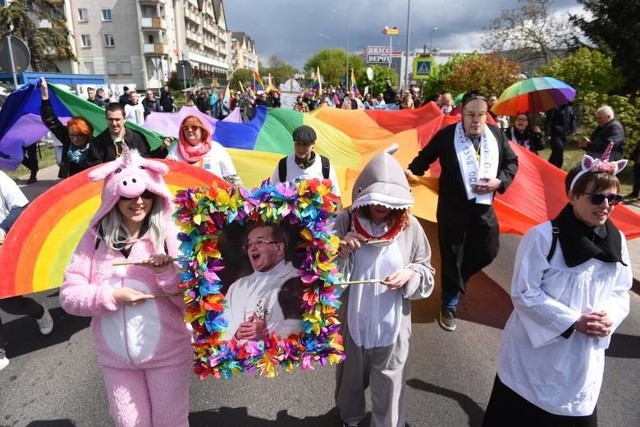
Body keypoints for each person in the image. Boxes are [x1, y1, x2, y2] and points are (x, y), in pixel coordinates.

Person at [482, 147, 632, 427]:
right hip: (535, 357)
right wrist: (574, 321)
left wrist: (608, 317)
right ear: (573, 196)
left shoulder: (618, 240)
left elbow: (619, 291)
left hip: (582, 361)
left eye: (614, 199)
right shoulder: (543, 237)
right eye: (597, 197)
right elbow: (524, 293)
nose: (606, 205)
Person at [60, 146, 191, 426]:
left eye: (146, 194)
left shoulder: (170, 235)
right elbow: (69, 296)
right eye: (129, 196)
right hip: (116, 360)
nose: (139, 202)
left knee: (171, 422)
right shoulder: (94, 239)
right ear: (113, 197)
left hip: (167, 355)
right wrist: (111, 295)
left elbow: (192, 304)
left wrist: (167, 273)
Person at [335, 149, 435, 427]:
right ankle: (351, 419)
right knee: (350, 379)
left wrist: (410, 274)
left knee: (390, 383)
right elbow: (323, 278)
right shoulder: (345, 221)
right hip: (353, 321)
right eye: (376, 198)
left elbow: (426, 270)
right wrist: (340, 252)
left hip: (393, 324)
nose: (382, 206)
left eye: (389, 200)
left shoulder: (410, 226)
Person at [405, 91, 519, 332]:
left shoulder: (497, 135)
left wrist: (499, 182)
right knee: (452, 256)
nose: (476, 120)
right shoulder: (447, 137)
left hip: (483, 209)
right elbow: (422, 160)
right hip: (452, 210)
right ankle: (449, 303)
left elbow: (512, 162)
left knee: (488, 250)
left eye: (481, 115)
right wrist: (409, 174)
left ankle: (458, 280)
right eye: (470, 115)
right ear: (461, 115)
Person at [0, 170, 55, 370]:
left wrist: (3, 228)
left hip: (1, 248)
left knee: (9, 304)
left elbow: (20, 206)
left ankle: (39, 312)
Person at [223, 223, 300, 341]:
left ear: (279, 249)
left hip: (281, 358)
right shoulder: (237, 287)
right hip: (239, 358)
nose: (252, 248)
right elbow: (222, 328)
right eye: (249, 244)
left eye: (259, 242)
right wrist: (237, 334)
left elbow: (303, 327)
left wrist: (267, 334)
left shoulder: (299, 280)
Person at [166, 115, 243, 187]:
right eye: (185, 128)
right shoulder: (175, 150)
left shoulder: (216, 148)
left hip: (214, 199)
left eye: (194, 127)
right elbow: (165, 176)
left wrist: (243, 197)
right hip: (183, 198)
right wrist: (167, 165)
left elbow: (232, 177)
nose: (189, 130)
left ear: (202, 130)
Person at [39, 77, 93, 178]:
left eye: (79, 135)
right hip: (70, 185)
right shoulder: (67, 140)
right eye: (72, 135)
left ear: (87, 134)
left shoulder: (95, 146)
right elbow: (50, 120)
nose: (75, 139)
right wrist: (45, 94)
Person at [271, 125, 341, 199]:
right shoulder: (284, 164)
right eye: (297, 144)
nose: (300, 148)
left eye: (305, 144)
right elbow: (274, 192)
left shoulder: (324, 165)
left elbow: (335, 195)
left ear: (313, 145)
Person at [85, 103, 161, 167]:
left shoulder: (137, 137)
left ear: (125, 119)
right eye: (110, 119)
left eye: (117, 119)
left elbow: (146, 160)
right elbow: (95, 169)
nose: (114, 123)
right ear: (106, 119)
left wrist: (162, 148)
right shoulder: (97, 143)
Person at [545, 101, 576, 168]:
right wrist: (548, 133)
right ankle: (558, 167)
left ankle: (549, 166)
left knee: (556, 153)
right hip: (555, 134)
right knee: (559, 149)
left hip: (564, 134)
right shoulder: (554, 107)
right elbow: (549, 121)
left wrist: (573, 129)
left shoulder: (570, 107)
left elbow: (572, 119)